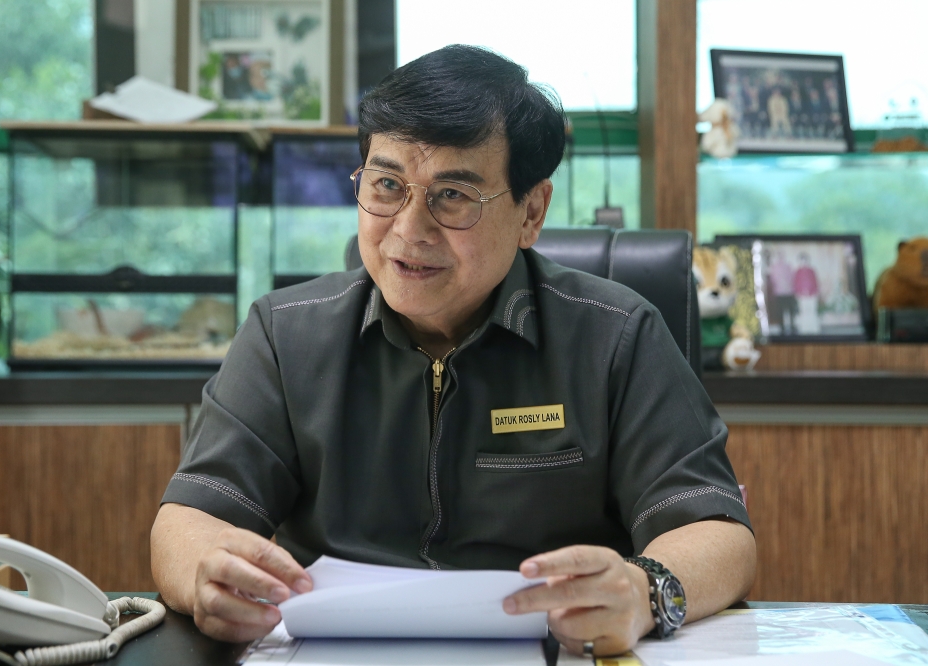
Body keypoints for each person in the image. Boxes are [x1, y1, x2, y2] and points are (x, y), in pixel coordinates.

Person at [151, 45, 756, 657]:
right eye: (387, 185)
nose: (410, 230)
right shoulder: (285, 335)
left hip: (554, 651)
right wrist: (208, 569)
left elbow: (714, 529)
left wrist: (644, 590)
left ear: (532, 211)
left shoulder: (616, 335)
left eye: (452, 196)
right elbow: (187, 520)